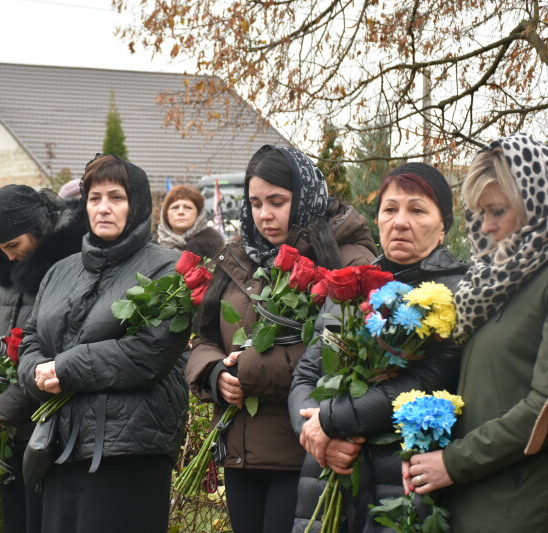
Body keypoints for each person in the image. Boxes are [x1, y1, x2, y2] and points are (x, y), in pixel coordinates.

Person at [186, 144, 377, 533]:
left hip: (303, 450)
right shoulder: (240, 256)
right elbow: (204, 337)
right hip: (240, 451)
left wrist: (248, 371)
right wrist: (213, 374)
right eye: (255, 203)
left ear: (304, 197)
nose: (264, 215)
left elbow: (340, 350)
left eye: (277, 201)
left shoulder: (346, 260)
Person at [289, 163, 467, 533]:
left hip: (404, 485)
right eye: (390, 209)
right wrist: (313, 434)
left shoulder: (459, 291)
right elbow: (307, 373)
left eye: (417, 210)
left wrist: (330, 421)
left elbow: (430, 378)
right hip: (326, 481)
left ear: (444, 223)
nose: (400, 222)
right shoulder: (352, 286)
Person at [18, 154, 190, 533]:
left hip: (129, 451)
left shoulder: (168, 268)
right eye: (94, 199)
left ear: (138, 204)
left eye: (116, 197)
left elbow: (150, 352)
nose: (103, 208)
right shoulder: (60, 271)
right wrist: (35, 372)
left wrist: (65, 368)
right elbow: (31, 337)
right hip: (63, 445)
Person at [403, 133, 548, 532]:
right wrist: (424, 450)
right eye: (481, 212)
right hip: (469, 495)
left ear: (537, 205)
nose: (485, 225)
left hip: (519, 506)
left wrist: (452, 463)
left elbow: (542, 410)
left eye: (498, 210)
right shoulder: (489, 282)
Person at [0, 184, 86, 533]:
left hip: (48, 429)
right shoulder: (4, 273)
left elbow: (58, 352)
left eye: (14, 246)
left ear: (38, 228)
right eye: (1, 249)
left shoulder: (67, 267)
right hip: (6, 429)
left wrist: (4, 406)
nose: (10, 257)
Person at [156, 185, 224, 258]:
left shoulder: (215, 245)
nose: (181, 212)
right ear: (165, 214)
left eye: (188, 208)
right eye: (175, 208)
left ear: (199, 214)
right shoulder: (153, 246)